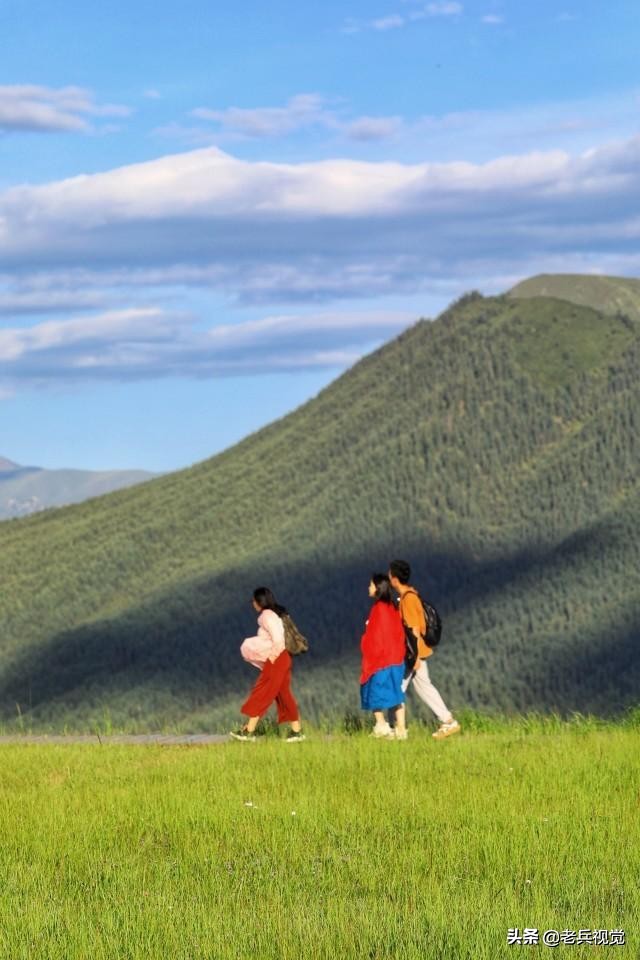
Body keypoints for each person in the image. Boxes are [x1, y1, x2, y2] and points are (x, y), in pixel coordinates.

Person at [388, 559, 460, 740]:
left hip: (413, 653)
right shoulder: (409, 596)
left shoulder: (408, 600)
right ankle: (447, 720)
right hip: (416, 652)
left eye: (390, 575)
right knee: (422, 687)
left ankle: (395, 729)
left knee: (395, 688)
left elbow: (413, 629)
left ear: (395, 578)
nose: (389, 578)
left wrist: (415, 657)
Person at [230, 587, 305, 742]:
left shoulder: (267, 616)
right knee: (283, 694)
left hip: (277, 658)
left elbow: (278, 640)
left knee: (263, 691)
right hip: (283, 658)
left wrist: (271, 657)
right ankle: (297, 732)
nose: (252, 604)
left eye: (254, 601)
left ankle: (249, 731)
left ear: (259, 602)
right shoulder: (274, 614)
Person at [360, 573, 407, 740]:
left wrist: (365, 641)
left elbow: (376, 637)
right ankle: (401, 729)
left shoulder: (378, 609)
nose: (369, 587)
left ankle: (381, 725)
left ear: (378, 588)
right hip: (396, 659)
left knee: (375, 693)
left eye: (371, 585)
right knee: (395, 693)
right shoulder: (392, 607)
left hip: (381, 660)